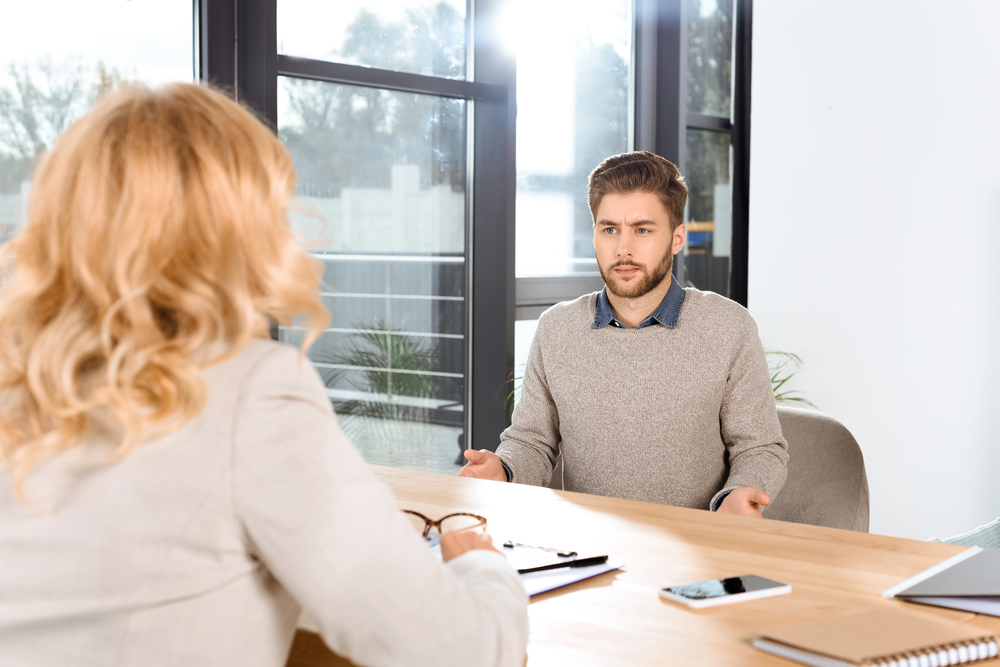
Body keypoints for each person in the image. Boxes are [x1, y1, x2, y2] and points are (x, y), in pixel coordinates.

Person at [0, 83, 528, 667]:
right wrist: (483, 563)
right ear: (240, 226)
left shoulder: (17, 380)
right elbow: (461, 654)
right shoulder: (248, 388)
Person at [459, 151, 787, 518]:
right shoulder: (557, 329)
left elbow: (760, 448)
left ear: (677, 238)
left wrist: (737, 494)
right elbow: (533, 442)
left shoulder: (729, 326)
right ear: (595, 234)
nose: (623, 249)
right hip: (590, 549)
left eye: (642, 230)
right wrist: (503, 472)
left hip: (698, 548)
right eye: (610, 229)